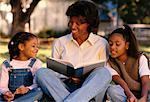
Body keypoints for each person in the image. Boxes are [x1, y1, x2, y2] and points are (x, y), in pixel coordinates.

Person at [35, 1, 111, 102]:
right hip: (64, 88)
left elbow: (100, 77)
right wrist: (69, 77)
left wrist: (84, 79)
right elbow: (53, 71)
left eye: (78, 24)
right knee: (41, 73)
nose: (73, 27)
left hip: (90, 90)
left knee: (104, 73)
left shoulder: (101, 43)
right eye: (71, 22)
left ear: (89, 24)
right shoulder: (60, 42)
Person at [106, 24, 150, 102]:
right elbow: (120, 82)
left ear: (127, 45)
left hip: (144, 92)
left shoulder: (140, 58)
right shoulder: (109, 62)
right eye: (110, 44)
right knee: (112, 90)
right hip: (126, 94)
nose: (112, 47)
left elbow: (146, 81)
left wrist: (144, 98)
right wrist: (130, 95)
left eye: (117, 44)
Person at [0, 32, 43, 102]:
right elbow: (2, 86)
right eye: (33, 46)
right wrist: (6, 93)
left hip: (29, 96)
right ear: (21, 47)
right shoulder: (7, 64)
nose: (37, 49)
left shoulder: (36, 63)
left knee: (40, 91)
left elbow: (37, 84)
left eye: (37, 46)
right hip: (12, 97)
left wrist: (28, 88)